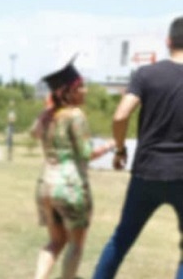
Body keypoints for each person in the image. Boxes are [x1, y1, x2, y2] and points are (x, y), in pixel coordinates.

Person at [92, 17, 183, 279]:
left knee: (121, 240)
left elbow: (121, 116)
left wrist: (120, 150)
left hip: (146, 172)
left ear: (168, 41)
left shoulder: (146, 74)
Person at [32, 58, 114, 279]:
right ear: (69, 91)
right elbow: (87, 153)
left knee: (56, 241)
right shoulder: (75, 115)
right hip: (70, 187)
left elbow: (34, 133)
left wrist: (48, 109)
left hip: (45, 186)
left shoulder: (47, 116)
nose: (85, 91)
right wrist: (108, 146)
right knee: (76, 245)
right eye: (81, 87)